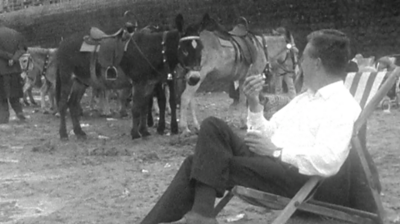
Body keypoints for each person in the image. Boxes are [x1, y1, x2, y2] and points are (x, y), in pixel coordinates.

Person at [139, 29, 373, 224]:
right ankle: (201, 214)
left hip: (296, 177)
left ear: (316, 64)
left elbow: (329, 161)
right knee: (212, 127)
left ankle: (194, 216)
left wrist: (276, 151)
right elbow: (268, 131)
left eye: (303, 58)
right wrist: (253, 103)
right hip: (270, 162)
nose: (299, 63)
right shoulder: (305, 98)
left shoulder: (341, 106)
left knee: (200, 164)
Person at [0, 25, 27, 124]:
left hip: (2, 70)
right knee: (14, 94)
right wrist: (14, 58)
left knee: (2, 96)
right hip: (15, 69)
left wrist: (9, 57)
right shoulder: (15, 33)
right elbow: (23, 49)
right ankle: (20, 113)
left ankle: (3, 119)